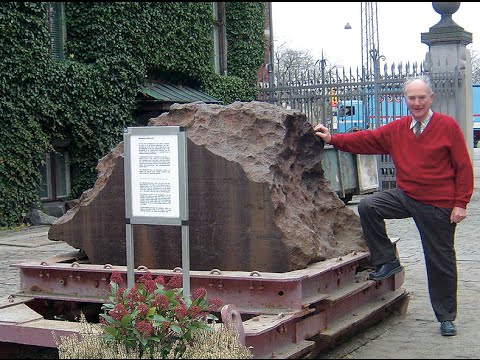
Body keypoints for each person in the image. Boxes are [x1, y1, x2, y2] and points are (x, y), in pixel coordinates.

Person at [313, 76, 474, 337]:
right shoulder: (398, 129)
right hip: (406, 195)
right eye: (412, 98)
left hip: (438, 203)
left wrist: (461, 204)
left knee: (439, 261)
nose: (417, 102)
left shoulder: (447, 127)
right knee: (369, 206)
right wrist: (332, 138)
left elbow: (463, 167)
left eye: (422, 97)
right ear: (405, 100)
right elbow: (366, 140)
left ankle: (446, 317)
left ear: (431, 98)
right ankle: (387, 261)